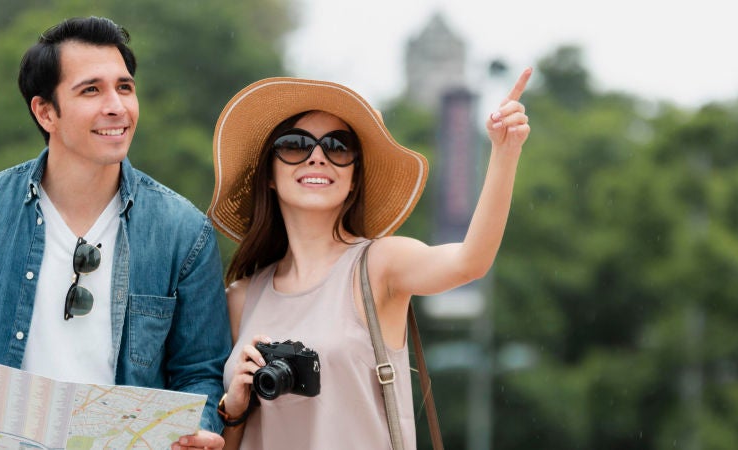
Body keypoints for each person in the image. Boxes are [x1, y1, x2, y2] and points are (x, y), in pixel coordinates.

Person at [0, 16, 230, 448]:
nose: (117, 106)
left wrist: (199, 430)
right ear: (45, 111)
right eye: (91, 90)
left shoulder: (184, 230)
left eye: (124, 87)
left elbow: (201, 371)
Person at [206, 69, 531, 449]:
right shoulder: (242, 299)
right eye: (294, 144)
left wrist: (505, 152)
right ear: (270, 175)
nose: (317, 157)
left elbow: (469, 261)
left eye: (338, 147)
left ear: (354, 178)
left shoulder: (378, 265)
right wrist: (236, 407)